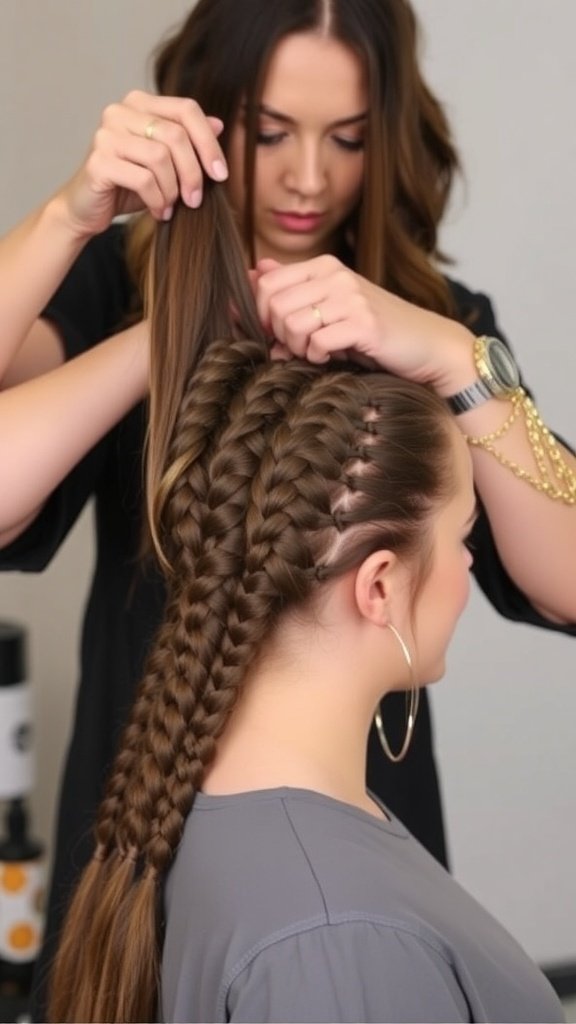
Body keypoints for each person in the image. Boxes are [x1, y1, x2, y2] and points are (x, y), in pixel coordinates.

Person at [0, 0, 574, 1014]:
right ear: (209, 114)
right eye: (270, 133)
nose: (310, 177)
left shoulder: (436, 325)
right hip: (145, 823)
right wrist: (90, 245)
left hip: (354, 835)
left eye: (347, 139)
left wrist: (453, 357)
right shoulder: (118, 291)